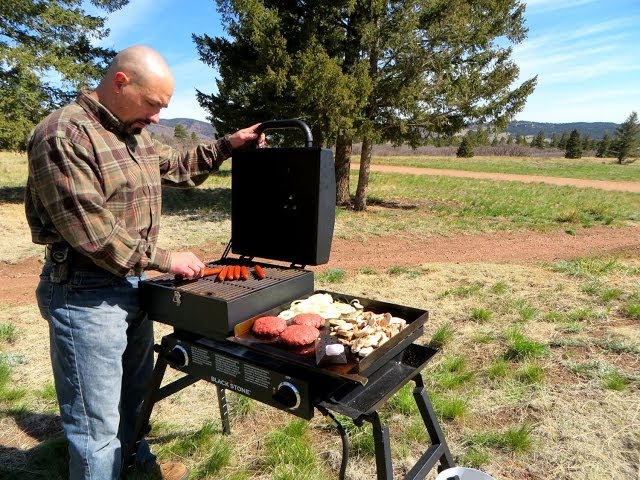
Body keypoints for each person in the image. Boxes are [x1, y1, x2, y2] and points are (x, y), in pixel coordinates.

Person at [24, 45, 264, 480]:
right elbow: (92, 233)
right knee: (94, 431)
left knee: (135, 397)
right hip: (85, 294)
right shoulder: (62, 135)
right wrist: (166, 259)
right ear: (121, 82)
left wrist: (229, 145)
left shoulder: (133, 133)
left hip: (132, 285)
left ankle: (138, 467)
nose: (157, 116)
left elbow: (174, 164)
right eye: (154, 104)